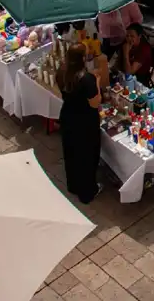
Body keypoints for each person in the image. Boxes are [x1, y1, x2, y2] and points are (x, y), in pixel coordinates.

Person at [56, 43, 102, 204]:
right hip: (84, 121)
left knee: (72, 154)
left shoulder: (62, 71)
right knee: (87, 156)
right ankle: (88, 191)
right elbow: (95, 103)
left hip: (68, 116)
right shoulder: (86, 79)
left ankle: (73, 185)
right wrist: (97, 80)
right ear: (82, 59)